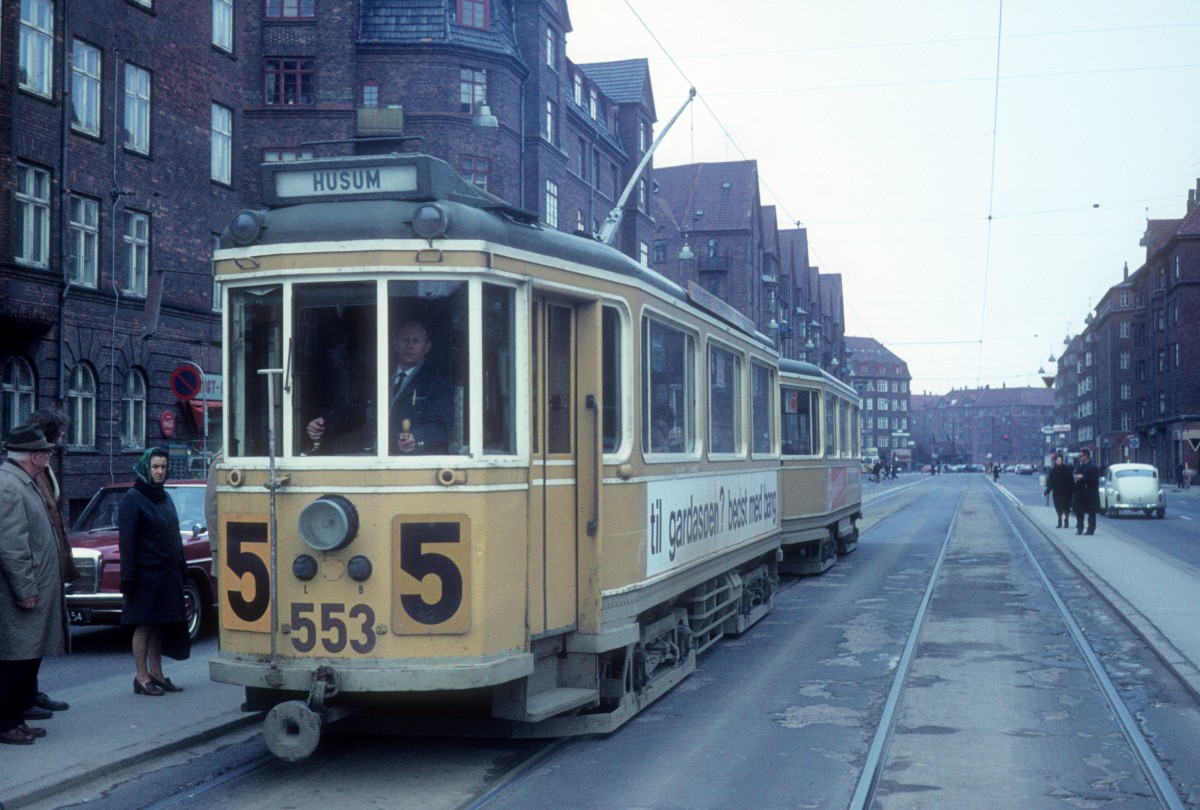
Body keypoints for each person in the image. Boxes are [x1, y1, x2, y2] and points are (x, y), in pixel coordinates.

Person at [0, 423, 69, 744]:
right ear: (32, 456)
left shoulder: (21, 481)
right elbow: (12, 545)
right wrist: (25, 589)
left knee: (27, 658)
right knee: (15, 660)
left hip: (35, 588)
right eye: (45, 452)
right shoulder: (9, 485)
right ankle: (5, 723)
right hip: (22, 594)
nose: (49, 456)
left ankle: (15, 718)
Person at [307, 319, 452, 455]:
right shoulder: (380, 376)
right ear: (395, 343)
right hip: (372, 455)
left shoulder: (437, 382)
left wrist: (416, 438)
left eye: (416, 341)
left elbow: (440, 427)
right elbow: (356, 411)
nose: (410, 345)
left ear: (427, 347)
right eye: (405, 339)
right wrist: (325, 424)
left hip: (409, 461)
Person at [21, 409, 76, 722]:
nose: (63, 438)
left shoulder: (45, 466)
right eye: (61, 433)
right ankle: (23, 696)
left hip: (48, 557)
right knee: (29, 635)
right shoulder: (30, 470)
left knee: (40, 633)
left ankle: (31, 691)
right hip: (36, 562)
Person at [120, 447, 188, 696]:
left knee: (160, 624)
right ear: (145, 468)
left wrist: (181, 564)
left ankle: (157, 674)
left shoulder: (164, 496)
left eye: (163, 467)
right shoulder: (133, 498)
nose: (160, 471)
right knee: (145, 625)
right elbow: (127, 542)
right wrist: (128, 578)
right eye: (155, 467)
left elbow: (174, 534)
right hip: (145, 575)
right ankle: (141, 677)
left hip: (167, 574)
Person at [1071, 448, 1101, 536]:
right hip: (1080, 493)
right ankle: (1079, 528)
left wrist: (1082, 477)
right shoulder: (1080, 466)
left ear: (1086, 456)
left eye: (1081, 455)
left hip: (1090, 493)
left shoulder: (1093, 467)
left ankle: (1091, 529)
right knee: (1079, 511)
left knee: (1091, 512)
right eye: (1079, 455)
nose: (1080, 457)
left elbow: (1094, 480)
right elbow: (1076, 475)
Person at [1043, 453, 1075, 529]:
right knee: (1058, 507)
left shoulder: (1067, 470)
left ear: (1062, 461)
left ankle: (1066, 521)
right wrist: (1047, 491)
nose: (1059, 461)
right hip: (1057, 492)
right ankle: (1059, 521)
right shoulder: (1053, 471)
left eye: (1060, 460)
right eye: (1057, 460)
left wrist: (1073, 491)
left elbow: (1072, 481)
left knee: (1067, 507)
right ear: (1055, 461)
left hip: (1066, 492)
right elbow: (1050, 483)